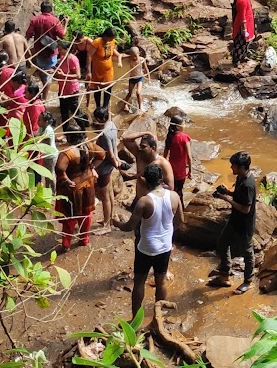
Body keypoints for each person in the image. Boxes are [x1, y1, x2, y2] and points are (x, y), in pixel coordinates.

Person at [115, 162, 182, 322]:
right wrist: (167, 233)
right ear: (161, 179)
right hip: (165, 246)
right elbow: (180, 221)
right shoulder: (174, 196)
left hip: (146, 247)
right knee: (161, 281)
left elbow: (129, 226)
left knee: (139, 282)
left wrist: (116, 223)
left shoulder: (144, 201)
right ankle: (158, 318)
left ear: (145, 180)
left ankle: (135, 320)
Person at [209, 151, 258, 292]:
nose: (231, 168)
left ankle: (248, 281)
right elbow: (238, 195)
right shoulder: (241, 177)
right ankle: (224, 275)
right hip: (234, 220)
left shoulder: (248, 184)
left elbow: (245, 209)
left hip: (245, 224)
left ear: (241, 167)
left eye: (233, 166)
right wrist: (227, 192)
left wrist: (226, 199)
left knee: (247, 252)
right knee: (222, 243)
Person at [55, 142, 103, 251]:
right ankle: (84, 239)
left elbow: (59, 169)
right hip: (88, 185)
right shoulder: (89, 146)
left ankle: (66, 244)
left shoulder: (68, 153)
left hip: (72, 189)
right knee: (86, 214)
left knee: (70, 216)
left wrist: (66, 180)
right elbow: (102, 155)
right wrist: (92, 167)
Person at [91, 107, 121, 227]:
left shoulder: (104, 134)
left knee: (105, 197)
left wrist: (115, 162)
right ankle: (110, 218)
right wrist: (116, 161)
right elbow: (115, 146)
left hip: (103, 168)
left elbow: (110, 153)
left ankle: (106, 224)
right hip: (109, 167)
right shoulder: (112, 125)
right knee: (109, 192)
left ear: (100, 119)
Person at [86, 27, 118, 114]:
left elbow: (113, 52)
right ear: (105, 36)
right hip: (97, 70)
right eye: (110, 38)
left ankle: (105, 108)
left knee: (108, 88)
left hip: (108, 70)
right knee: (97, 89)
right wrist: (88, 71)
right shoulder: (97, 42)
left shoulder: (112, 42)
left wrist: (120, 57)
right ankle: (98, 108)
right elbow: (89, 56)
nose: (111, 40)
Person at [53, 44, 83, 132]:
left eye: (60, 49)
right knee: (64, 113)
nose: (59, 51)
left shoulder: (73, 59)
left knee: (76, 113)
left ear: (67, 49)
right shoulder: (62, 59)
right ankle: (66, 134)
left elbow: (78, 75)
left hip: (71, 90)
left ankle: (83, 133)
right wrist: (54, 72)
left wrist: (64, 75)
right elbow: (60, 72)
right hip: (62, 89)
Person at [163, 115, 193, 197]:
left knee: (172, 190)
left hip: (171, 169)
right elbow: (189, 157)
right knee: (179, 192)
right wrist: (190, 171)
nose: (185, 126)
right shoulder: (184, 138)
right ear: (178, 127)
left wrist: (164, 170)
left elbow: (165, 156)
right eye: (183, 124)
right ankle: (178, 204)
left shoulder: (169, 137)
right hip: (180, 171)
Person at [118, 34, 146, 112]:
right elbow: (120, 55)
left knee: (138, 92)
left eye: (135, 56)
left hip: (140, 78)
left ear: (139, 54)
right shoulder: (130, 58)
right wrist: (120, 62)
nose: (134, 58)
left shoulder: (141, 59)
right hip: (132, 78)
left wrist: (148, 77)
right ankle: (125, 104)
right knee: (129, 93)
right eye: (132, 56)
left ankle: (140, 108)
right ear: (130, 55)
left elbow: (146, 69)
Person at [231, 0, 256, 65]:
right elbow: (242, 15)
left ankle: (242, 57)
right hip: (242, 26)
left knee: (244, 43)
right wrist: (244, 28)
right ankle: (236, 60)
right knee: (239, 43)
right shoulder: (243, 1)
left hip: (246, 24)